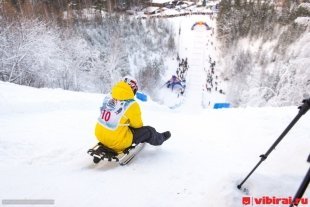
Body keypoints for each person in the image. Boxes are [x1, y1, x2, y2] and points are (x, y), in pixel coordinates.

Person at [94, 76, 171, 153]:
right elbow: (138, 126)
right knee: (149, 130)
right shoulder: (131, 104)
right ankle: (161, 138)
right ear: (133, 89)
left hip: (99, 135)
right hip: (117, 141)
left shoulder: (108, 96)